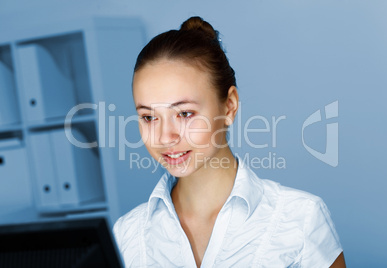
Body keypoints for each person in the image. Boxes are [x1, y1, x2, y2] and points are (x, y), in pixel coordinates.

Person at [113, 16, 346, 268]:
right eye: (149, 117)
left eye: (185, 113)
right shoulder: (127, 235)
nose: (165, 137)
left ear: (229, 106)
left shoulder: (301, 219)